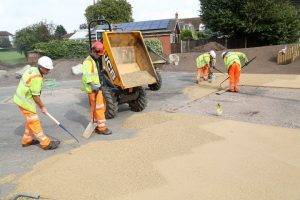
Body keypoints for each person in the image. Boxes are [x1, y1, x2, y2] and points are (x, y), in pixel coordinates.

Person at [13, 56, 60, 150]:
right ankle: (45, 143)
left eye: (49, 69)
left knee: (30, 121)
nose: (48, 71)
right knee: (34, 121)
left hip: (22, 99)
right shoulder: (37, 77)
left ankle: (27, 140)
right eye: (47, 69)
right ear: (41, 67)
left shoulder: (33, 69)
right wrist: (42, 107)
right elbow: (35, 96)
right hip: (25, 102)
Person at [81, 41, 112, 135]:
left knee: (97, 108)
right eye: (98, 54)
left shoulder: (93, 60)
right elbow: (86, 76)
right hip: (92, 89)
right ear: (93, 51)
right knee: (98, 108)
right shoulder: (88, 61)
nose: (99, 56)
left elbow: (93, 74)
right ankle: (101, 128)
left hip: (96, 88)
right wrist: (93, 85)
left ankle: (97, 124)